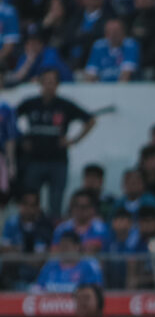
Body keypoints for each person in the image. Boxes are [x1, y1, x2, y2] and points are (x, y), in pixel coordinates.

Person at [16, 68, 95, 217]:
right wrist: (22, 139)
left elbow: (90, 120)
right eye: (46, 81)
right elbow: (9, 120)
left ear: (58, 84)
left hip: (58, 162)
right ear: (40, 83)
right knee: (30, 201)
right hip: (34, 161)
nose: (49, 85)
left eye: (53, 82)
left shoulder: (64, 105)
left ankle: (53, 235)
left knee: (55, 205)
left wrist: (74, 140)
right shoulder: (30, 103)